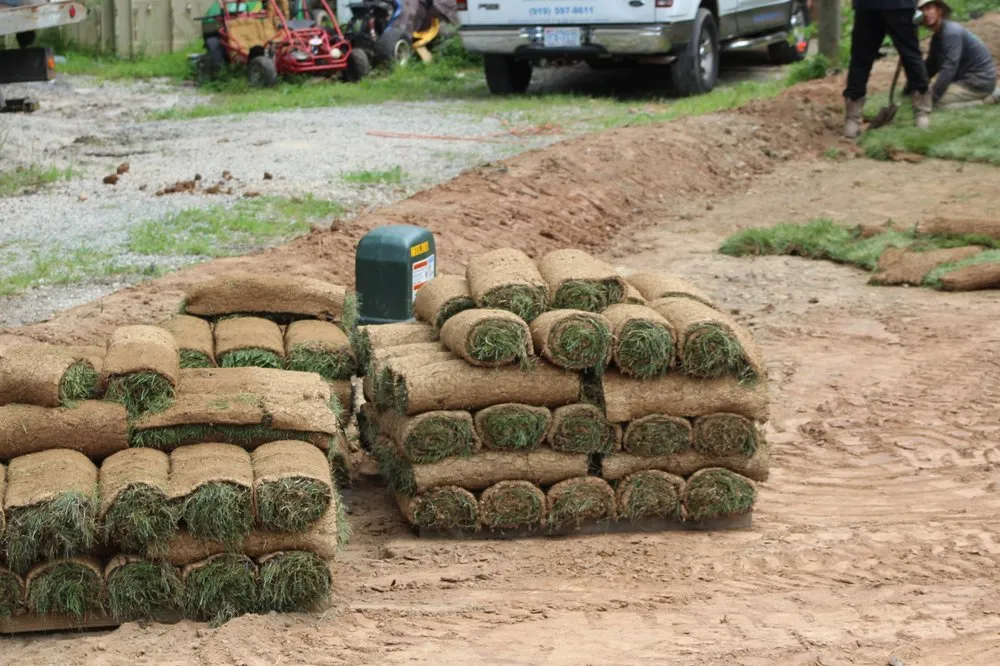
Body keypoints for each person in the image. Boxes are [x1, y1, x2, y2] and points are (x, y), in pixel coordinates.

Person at [843, 0, 931, 138]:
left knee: (860, 59)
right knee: (911, 55)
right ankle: (922, 114)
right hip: (900, 5)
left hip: (868, 5)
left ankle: (852, 120)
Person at [917, 0, 999, 108]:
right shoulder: (937, 37)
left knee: (935, 102)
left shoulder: (951, 33)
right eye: (922, 11)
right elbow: (931, 65)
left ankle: (991, 99)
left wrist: (934, 95)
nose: (926, 14)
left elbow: (949, 67)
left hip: (977, 82)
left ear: (939, 10)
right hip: (966, 80)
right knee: (925, 94)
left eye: (929, 8)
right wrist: (914, 85)